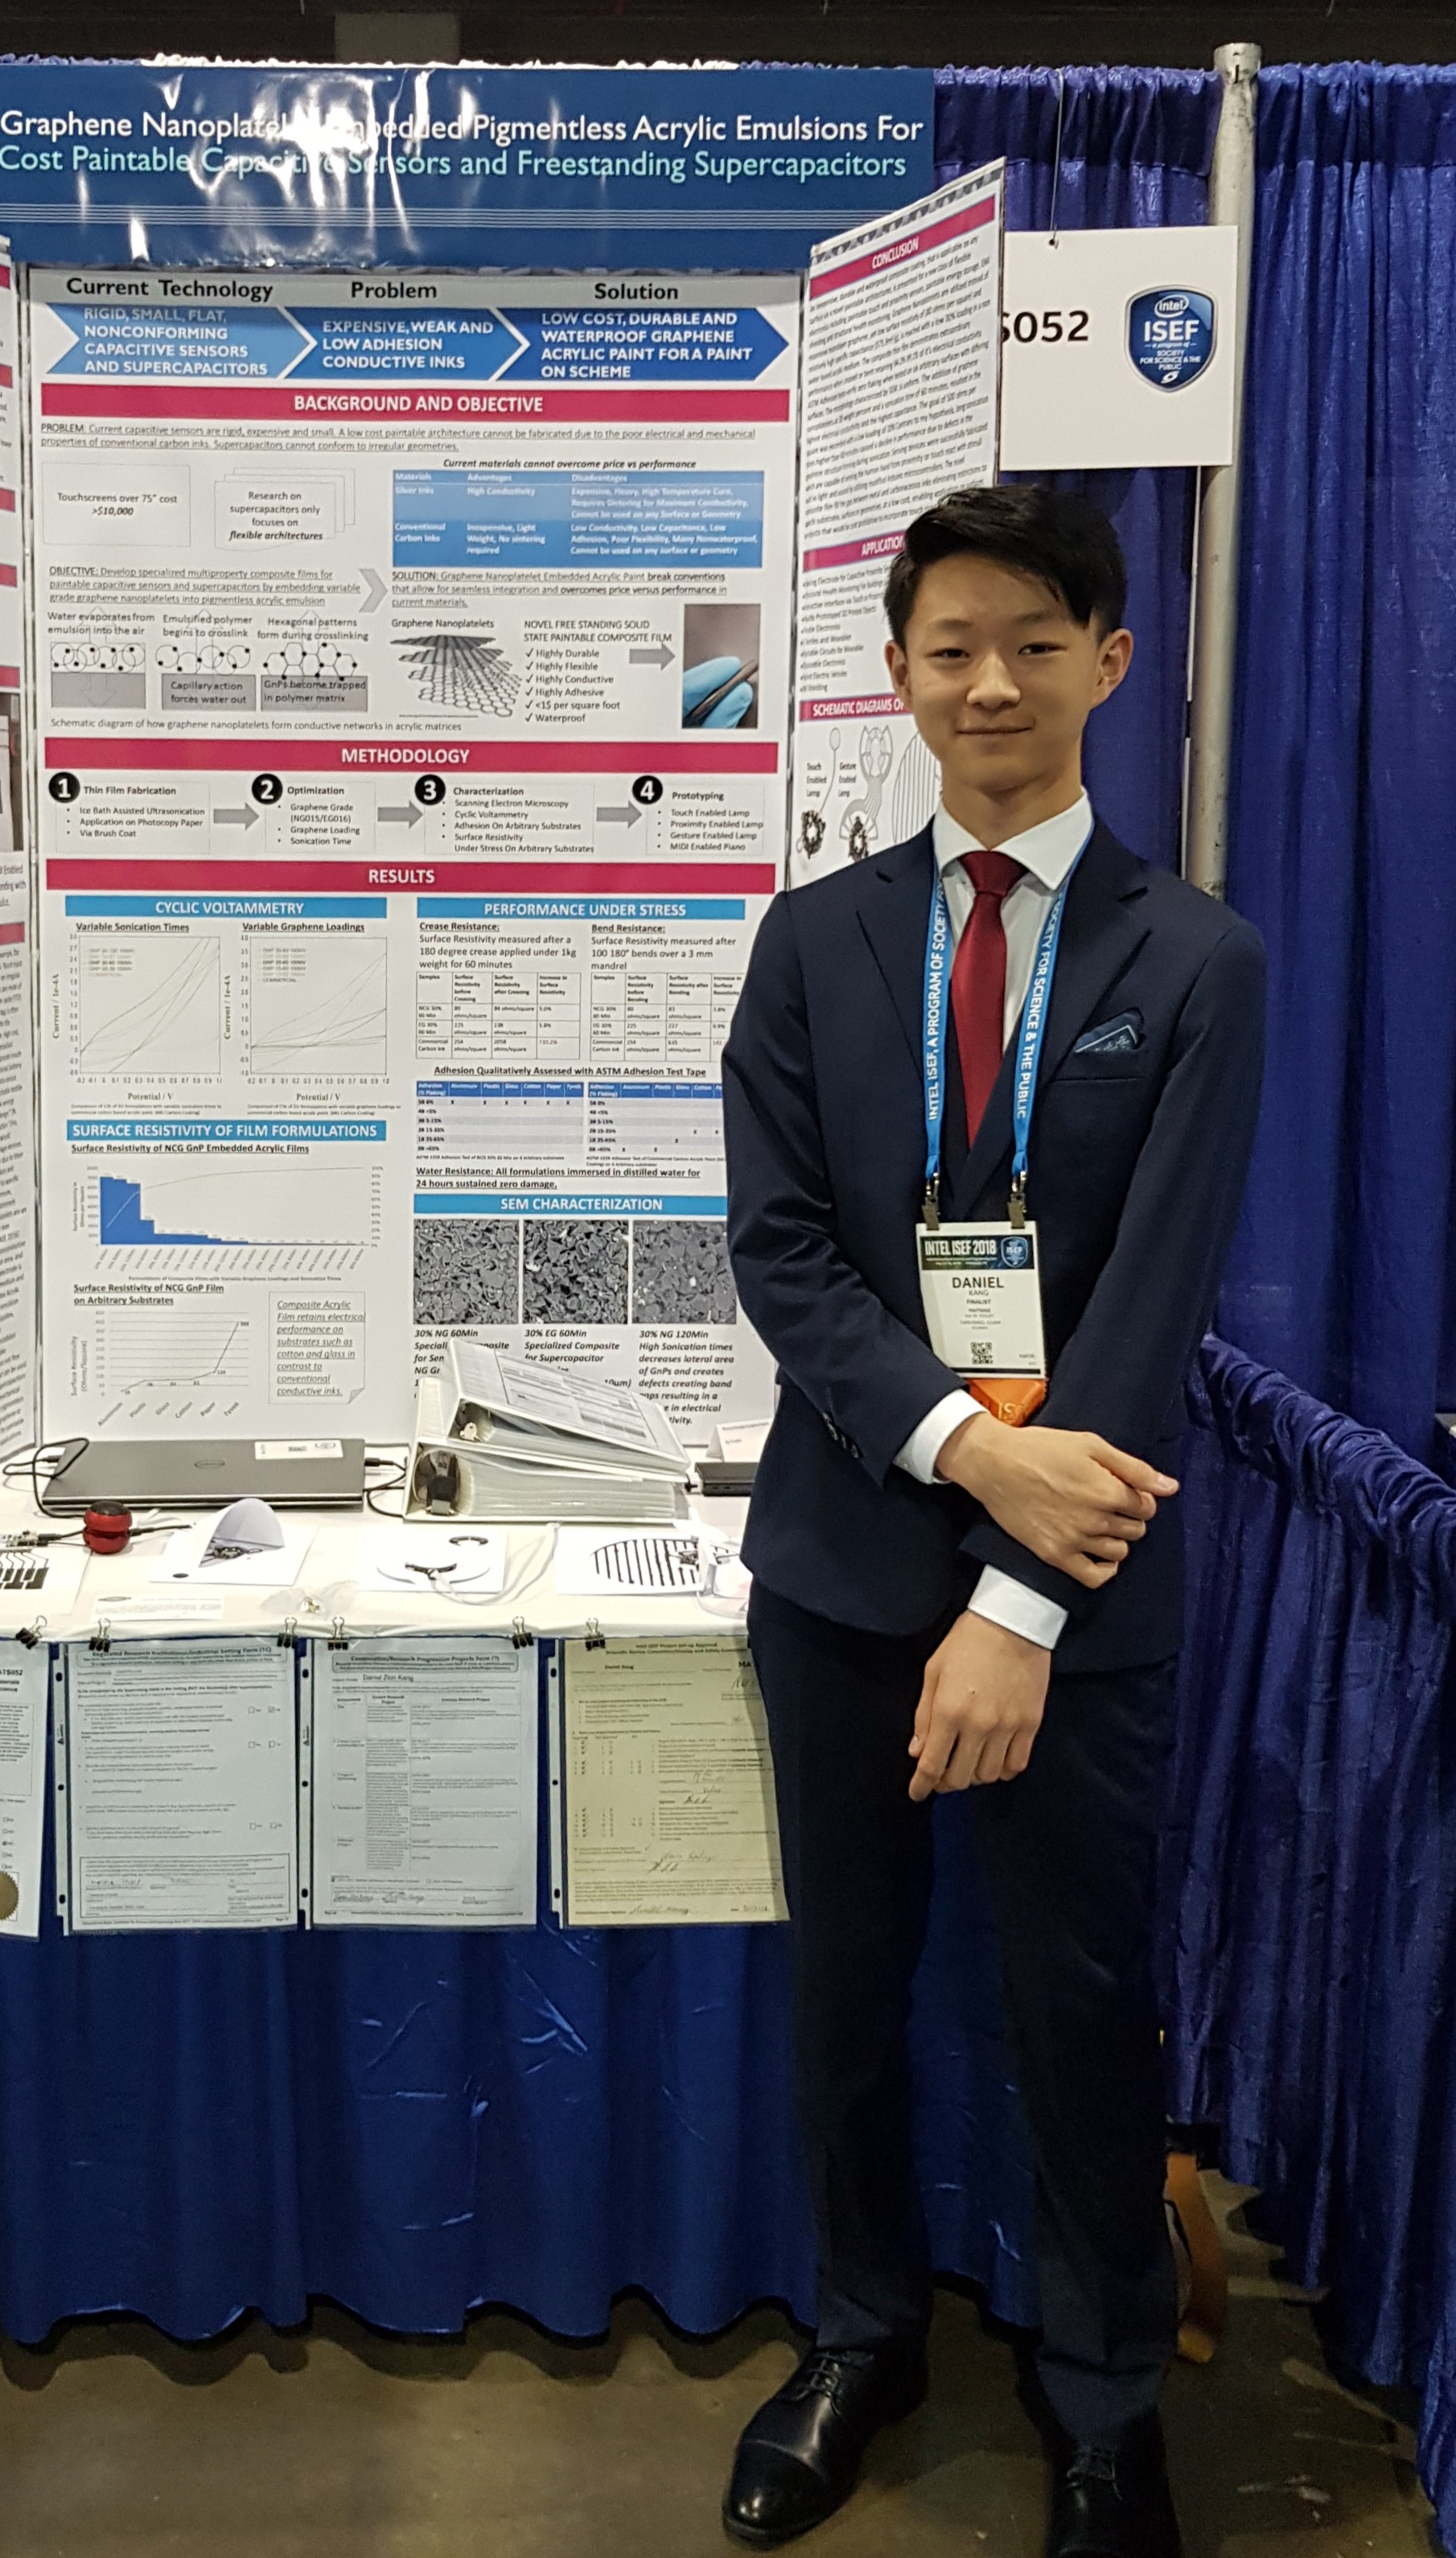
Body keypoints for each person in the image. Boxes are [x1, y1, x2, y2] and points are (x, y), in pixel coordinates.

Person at [720, 486, 1265, 2555]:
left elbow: (1156, 1294)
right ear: (897, 672)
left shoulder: (1194, 960)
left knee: (1077, 2001)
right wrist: (964, 1450)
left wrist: (1022, 1600)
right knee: (847, 1993)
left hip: (1085, 1593)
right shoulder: (820, 938)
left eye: (1035, 641)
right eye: (949, 644)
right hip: (850, 1566)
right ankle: (860, 2331)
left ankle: (1104, 2393)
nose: (989, 683)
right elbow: (782, 1258)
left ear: (1107, 664)